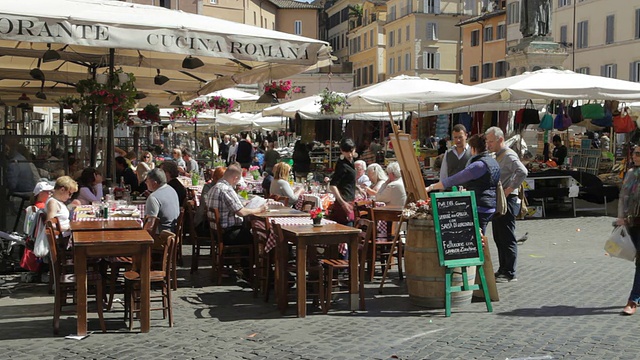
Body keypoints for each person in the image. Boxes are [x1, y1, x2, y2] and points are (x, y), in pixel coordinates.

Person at [426, 134, 500, 234]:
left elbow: (454, 180)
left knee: (477, 237)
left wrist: (431, 187)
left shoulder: (478, 165)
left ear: (473, 149)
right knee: (481, 235)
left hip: (479, 205)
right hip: (490, 204)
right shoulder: (493, 161)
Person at [485, 126, 528, 283]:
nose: (488, 144)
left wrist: (509, 189)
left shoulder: (509, 155)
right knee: (499, 236)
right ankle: (502, 269)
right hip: (499, 200)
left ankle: (510, 272)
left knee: (507, 236)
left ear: (500, 140)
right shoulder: (497, 155)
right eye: (487, 141)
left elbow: (522, 171)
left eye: (491, 141)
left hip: (507, 201)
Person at [205, 165, 268, 246]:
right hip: (228, 233)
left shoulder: (214, 187)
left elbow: (229, 205)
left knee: (249, 231)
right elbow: (241, 212)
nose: (236, 183)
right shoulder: (226, 189)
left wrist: (243, 204)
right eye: (237, 180)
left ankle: (241, 257)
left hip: (217, 232)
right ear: (235, 178)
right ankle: (250, 258)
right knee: (258, 236)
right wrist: (259, 209)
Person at [617, 146, 640, 315]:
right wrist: (621, 217)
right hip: (633, 223)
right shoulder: (631, 173)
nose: (635, 156)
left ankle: (633, 300)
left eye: (638, 153)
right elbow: (623, 197)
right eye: (634, 153)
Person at [329, 138, 357, 226]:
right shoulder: (342, 165)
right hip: (344, 202)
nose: (350, 154)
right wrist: (342, 203)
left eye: (351, 151)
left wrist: (358, 187)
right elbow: (333, 185)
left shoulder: (352, 162)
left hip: (350, 200)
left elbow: (348, 181)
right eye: (347, 152)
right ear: (341, 151)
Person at [144, 168, 180, 233]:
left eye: (147, 180)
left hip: (162, 235)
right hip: (173, 230)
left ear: (154, 183)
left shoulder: (153, 198)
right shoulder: (171, 189)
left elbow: (150, 225)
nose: (145, 182)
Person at [195, 166, 226, 236]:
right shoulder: (208, 187)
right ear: (216, 178)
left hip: (216, 223)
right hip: (204, 223)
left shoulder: (225, 188)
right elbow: (206, 203)